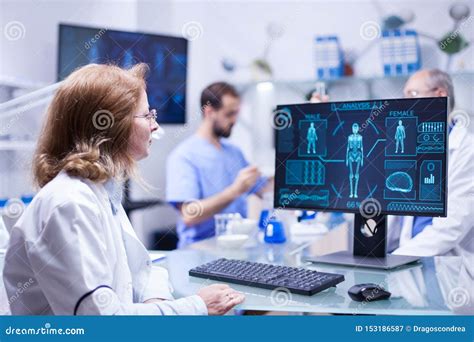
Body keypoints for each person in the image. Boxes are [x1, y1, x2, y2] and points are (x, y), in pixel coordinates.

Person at [3, 64, 244, 315]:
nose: (155, 126)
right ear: (111, 124)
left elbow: (140, 269)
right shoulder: (70, 204)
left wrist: (157, 302)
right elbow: (102, 323)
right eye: (147, 115)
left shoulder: (101, 192)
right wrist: (196, 306)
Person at [166, 82, 270, 248]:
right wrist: (235, 191)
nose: (235, 120)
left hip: (238, 250)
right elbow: (189, 214)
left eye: (236, 114)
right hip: (198, 252)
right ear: (209, 112)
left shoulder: (234, 152)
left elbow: (265, 189)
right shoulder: (184, 156)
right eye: (229, 114)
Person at [387, 69, 474, 258]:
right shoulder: (414, 147)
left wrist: (397, 259)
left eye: (413, 94)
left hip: (448, 264)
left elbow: (451, 227)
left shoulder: (468, 150)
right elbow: (397, 219)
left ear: (440, 95)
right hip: (408, 258)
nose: (406, 103)